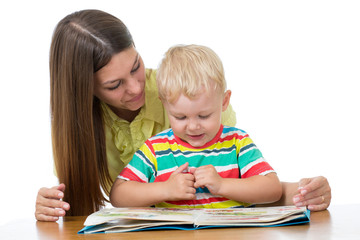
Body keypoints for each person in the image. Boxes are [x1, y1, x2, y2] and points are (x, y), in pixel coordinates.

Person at [35, 9, 331, 221]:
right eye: (115, 85)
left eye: (136, 65)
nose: (137, 87)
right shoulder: (96, 130)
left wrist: (304, 191)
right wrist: (49, 206)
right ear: (85, 90)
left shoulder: (183, 92)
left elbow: (246, 183)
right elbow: (113, 197)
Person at [110, 44, 283, 208]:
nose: (193, 126)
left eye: (204, 115)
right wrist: (165, 190)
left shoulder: (237, 142)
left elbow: (272, 189)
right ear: (164, 105)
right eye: (180, 117)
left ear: (224, 101)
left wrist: (222, 185)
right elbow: (118, 195)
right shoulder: (155, 148)